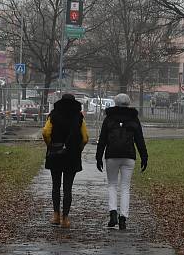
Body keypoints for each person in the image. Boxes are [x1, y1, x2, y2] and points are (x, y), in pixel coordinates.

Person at [95, 93, 148, 230]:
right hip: (128, 155)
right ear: (128, 103)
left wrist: (98, 156)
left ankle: (113, 212)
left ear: (115, 103)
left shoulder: (109, 118)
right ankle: (123, 217)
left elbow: (102, 139)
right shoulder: (134, 118)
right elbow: (139, 139)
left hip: (112, 155)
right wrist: (144, 156)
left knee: (112, 185)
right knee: (125, 187)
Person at [42, 93, 89, 229]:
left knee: (55, 185)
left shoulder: (53, 115)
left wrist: (50, 145)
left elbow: (45, 132)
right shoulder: (79, 117)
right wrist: (78, 148)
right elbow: (85, 137)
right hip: (72, 155)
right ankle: (66, 219)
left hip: (55, 153)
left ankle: (56, 215)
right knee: (68, 187)